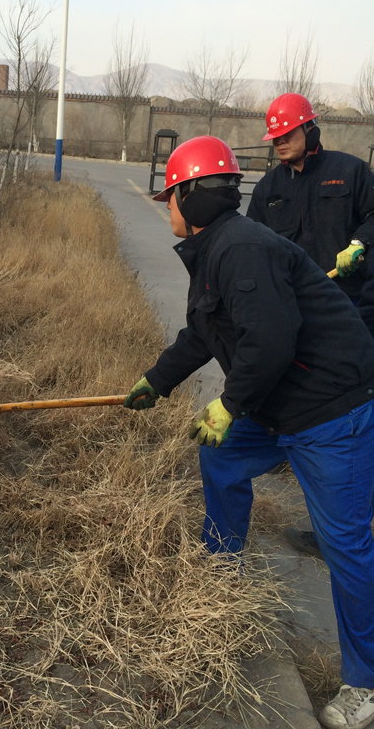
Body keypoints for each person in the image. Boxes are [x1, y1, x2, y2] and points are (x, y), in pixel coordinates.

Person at [125, 135, 374, 729]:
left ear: (193, 195)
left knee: (344, 545)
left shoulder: (241, 248)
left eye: (170, 196)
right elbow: (203, 332)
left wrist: (228, 404)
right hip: (278, 404)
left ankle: (365, 683)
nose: (167, 208)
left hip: (332, 412)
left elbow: (271, 341)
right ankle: (221, 572)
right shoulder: (217, 248)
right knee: (222, 459)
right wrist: (157, 380)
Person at [246, 92, 374, 559]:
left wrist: (360, 241)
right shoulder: (268, 188)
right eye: (274, 137)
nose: (279, 142)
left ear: (309, 128)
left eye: (287, 134)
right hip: (299, 318)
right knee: (309, 405)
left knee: (348, 418)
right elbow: (253, 243)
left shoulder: (350, 172)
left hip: (351, 312)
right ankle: (298, 461)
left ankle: (342, 528)